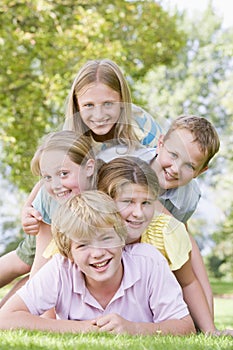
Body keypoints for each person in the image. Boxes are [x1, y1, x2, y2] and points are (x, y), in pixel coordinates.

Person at [0, 58, 161, 291]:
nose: (99, 114)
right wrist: (27, 207)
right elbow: (50, 175)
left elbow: (164, 164)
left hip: (84, 219)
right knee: (23, 261)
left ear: (122, 102)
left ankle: (10, 311)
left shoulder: (141, 131)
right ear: (76, 105)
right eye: (88, 106)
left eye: (108, 103)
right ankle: (16, 311)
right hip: (57, 211)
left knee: (43, 267)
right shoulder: (72, 136)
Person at [0, 191, 195, 335]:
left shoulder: (149, 262)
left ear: (121, 238)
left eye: (106, 239)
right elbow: (5, 318)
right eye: (83, 245)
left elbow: (185, 326)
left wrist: (134, 328)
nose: (98, 254)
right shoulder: (61, 268)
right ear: (69, 253)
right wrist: (84, 327)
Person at [96, 114, 220, 317]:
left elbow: (184, 247)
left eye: (189, 166)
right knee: (31, 260)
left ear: (201, 171)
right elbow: (71, 173)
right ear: (160, 143)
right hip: (92, 231)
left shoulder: (189, 196)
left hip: (138, 246)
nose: (176, 169)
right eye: (173, 155)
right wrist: (33, 205)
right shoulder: (123, 161)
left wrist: (209, 323)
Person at [95, 156, 233, 336]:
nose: (138, 213)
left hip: (152, 319)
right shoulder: (86, 231)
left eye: (146, 203)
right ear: (106, 201)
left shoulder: (164, 233)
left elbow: (188, 283)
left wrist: (210, 330)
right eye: (128, 202)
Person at [0, 130, 95, 302]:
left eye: (63, 174)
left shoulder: (102, 192)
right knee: (22, 262)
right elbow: (39, 264)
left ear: (89, 168)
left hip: (69, 235)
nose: (56, 185)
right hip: (48, 225)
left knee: (48, 271)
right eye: (48, 177)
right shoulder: (51, 197)